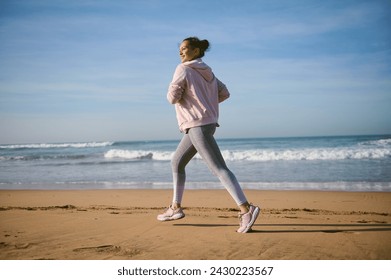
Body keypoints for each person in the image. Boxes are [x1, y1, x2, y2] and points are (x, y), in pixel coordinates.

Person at [157, 37, 260, 233]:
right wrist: (206, 105)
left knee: (219, 169)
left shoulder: (183, 69)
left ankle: (247, 209)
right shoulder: (209, 72)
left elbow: (172, 98)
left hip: (197, 126)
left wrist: (194, 104)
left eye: (184, 49)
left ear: (196, 51)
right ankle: (175, 207)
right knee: (177, 162)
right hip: (205, 124)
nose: (180, 53)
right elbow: (224, 93)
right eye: (179, 49)